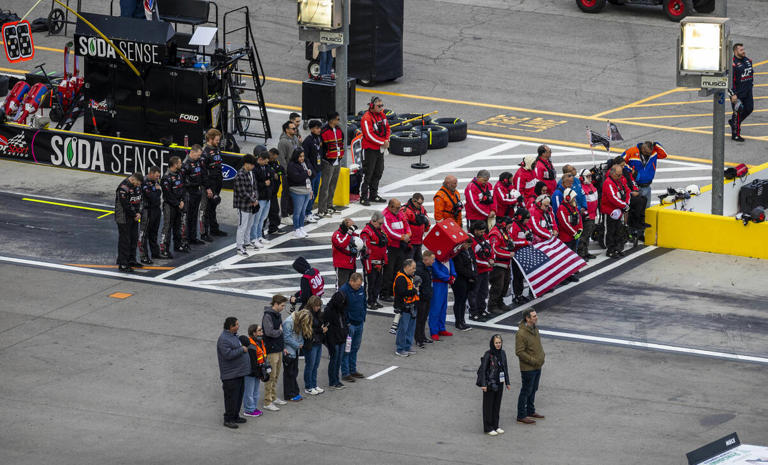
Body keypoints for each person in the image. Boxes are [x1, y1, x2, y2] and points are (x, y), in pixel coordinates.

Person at [216, 317, 250, 429]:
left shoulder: (233, 336)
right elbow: (228, 355)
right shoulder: (224, 339)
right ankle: (228, 419)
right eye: (236, 324)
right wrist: (242, 349)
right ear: (231, 327)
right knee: (231, 398)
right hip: (230, 376)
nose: (238, 326)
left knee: (238, 397)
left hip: (238, 373)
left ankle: (235, 416)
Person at [515, 309, 545, 425]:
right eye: (533, 316)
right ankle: (521, 415)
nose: (536, 317)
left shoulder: (534, 328)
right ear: (527, 318)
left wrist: (542, 356)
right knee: (526, 391)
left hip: (537, 365)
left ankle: (530, 411)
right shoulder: (521, 334)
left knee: (533, 389)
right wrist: (533, 361)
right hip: (528, 368)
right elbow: (519, 352)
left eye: (535, 315)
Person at [359, 96, 391, 205]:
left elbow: (387, 128)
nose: (381, 108)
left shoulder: (382, 115)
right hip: (369, 150)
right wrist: (383, 142)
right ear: (372, 106)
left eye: (382, 105)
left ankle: (373, 194)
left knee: (378, 171)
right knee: (368, 173)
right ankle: (363, 197)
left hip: (379, 149)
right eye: (379, 106)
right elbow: (369, 135)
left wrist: (386, 140)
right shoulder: (366, 118)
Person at [479, 334, 511, 436]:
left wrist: (507, 382)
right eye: (496, 343)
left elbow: (505, 368)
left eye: (499, 343)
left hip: (499, 382)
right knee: (488, 406)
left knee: (497, 405)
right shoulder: (488, 354)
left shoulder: (502, 353)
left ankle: (495, 425)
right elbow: (483, 370)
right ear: (492, 343)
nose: (498, 345)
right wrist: (483, 384)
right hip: (489, 383)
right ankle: (488, 427)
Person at [381, 198, 412, 304]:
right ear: (390, 207)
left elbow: (406, 224)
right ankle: (385, 293)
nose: (399, 210)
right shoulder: (385, 215)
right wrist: (403, 237)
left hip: (400, 246)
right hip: (391, 247)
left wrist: (408, 234)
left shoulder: (399, 213)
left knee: (398, 270)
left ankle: (393, 291)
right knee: (389, 271)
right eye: (397, 208)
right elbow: (389, 231)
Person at [261, 295, 288, 411]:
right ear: (275, 304)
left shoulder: (277, 315)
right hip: (271, 350)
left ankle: (273, 396)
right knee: (271, 376)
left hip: (278, 348)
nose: (283, 307)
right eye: (282, 305)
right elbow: (269, 332)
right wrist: (280, 331)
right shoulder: (268, 315)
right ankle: (267, 402)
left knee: (276, 375)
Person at [623, 141, 668, 208]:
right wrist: (631, 170)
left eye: (650, 153)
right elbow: (620, 161)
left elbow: (664, 154)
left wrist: (656, 144)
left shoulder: (653, 152)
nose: (649, 155)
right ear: (643, 149)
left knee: (647, 209)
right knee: (636, 210)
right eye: (647, 153)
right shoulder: (631, 152)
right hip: (635, 188)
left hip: (647, 187)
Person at [200, 129, 226, 241]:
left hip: (217, 182)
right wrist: (208, 188)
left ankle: (214, 229)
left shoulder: (217, 149)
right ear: (210, 139)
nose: (218, 142)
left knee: (213, 206)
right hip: (209, 184)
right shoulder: (204, 153)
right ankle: (204, 233)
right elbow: (203, 173)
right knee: (206, 209)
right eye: (216, 140)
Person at [340, 273, 366, 382]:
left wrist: (363, 316)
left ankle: (353, 369)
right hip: (350, 325)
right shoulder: (343, 291)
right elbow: (341, 309)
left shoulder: (361, 289)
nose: (359, 287)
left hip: (359, 323)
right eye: (357, 285)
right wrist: (347, 323)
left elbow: (364, 303)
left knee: (355, 348)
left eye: (360, 284)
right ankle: (345, 373)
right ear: (351, 281)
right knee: (347, 349)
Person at [115, 172, 143, 272]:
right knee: (125, 240)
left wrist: (139, 212)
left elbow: (140, 200)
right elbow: (125, 205)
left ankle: (131, 260)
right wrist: (135, 214)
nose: (138, 186)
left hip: (133, 216)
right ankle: (123, 263)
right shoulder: (123, 187)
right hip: (123, 217)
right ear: (133, 179)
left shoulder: (137, 187)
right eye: (138, 183)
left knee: (134, 238)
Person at [159, 157, 186, 258]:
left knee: (178, 226)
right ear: (174, 164)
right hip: (169, 206)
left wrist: (182, 200)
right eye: (179, 163)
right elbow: (168, 194)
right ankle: (164, 249)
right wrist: (177, 203)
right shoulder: (166, 178)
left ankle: (177, 245)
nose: (181, 164)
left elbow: (183, 188)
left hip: (179, 204)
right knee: (167, 227)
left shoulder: (179, 173)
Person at [601, 165, 630, 258]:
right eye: (618, 175)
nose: (620, 177)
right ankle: (610, 250)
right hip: (610, 211)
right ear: (612, 173)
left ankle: (618, 248)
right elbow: (612, 197)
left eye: (621, 175)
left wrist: (626, 204)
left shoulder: (620, 180)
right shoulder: (608, 183)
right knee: (610, 231)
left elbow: (627, 191)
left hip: (619, 210)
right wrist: (624, 205)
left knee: (618, 230)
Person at [233, 154, 259, 257]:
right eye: (252, 165)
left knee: (249, 225)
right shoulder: (240, 175)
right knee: (242, 226)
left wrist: (255, 198)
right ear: (246, 164)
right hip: (243, 205)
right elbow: (242, 192)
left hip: (251, 205)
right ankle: (239, 246)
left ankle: (247, 242)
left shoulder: (250, 173)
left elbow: (254, 187)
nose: (253, 167)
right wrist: (253, 200)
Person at [318, 112, 344, 217]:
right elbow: (321, 147)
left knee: (333, 185)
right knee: (325, 186)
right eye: (337, 119)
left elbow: (342, 141)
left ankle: (329, 205)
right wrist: (326, 158)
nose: (339, 121)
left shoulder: (339, 129)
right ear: (332, 120)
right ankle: (322, 209)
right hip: (328, 162)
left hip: (337, 160)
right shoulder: (323, 131)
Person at [360, 211, 387, 309]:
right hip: (370, 263)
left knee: (378, 283)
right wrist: (369, 267)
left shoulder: (380, 230)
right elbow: (366, 251)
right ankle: (368, 301)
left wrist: (384, 260)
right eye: (380, 223)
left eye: (382, 224)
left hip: (380, 262)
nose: (381, 225)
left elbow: (383, 247)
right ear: (374, 221)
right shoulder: (366, 232)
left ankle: (375, 299)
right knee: (370, 283)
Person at [322, 290, 348, 389]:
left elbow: (344, 322)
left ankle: (336, 380)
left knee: (338, 360)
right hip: (333, 339)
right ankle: (333, 381)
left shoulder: (341, 309)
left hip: (341, 337)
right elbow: (327, 328)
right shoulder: (329, 311)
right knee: (334, 360)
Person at [556, 188, 583, 283]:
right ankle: (564, 276)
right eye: (573, 198)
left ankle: (571, 273)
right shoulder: (562, 209)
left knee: (572, 255)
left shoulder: (574, 207)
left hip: (573, 237)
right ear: (568, 198)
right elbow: (564, 223)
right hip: (566, 238)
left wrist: (580, 229)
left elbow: (579, 218)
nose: (574, 200)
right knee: (565, 258)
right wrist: (575, 233)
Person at [239, 324, 266, 418]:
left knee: (255, 392)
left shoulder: (259, 342)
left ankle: (253, 407)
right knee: (249, 392)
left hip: (256, 372)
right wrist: (259, 374)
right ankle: (249, 410)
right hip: (250, 372)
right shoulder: (250, 345)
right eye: (259, 331)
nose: (261, 332)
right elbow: (252, 363)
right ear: (254, 333)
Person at [394, 259, 420, 357]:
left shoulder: (409, 276)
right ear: (407, 267)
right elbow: (401, 292)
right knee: (403, 329)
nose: (414, 270)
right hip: (404, 307)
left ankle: (407, 346)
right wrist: (414, 291)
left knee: (410, 328)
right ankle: (400, 348)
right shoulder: (401, 278)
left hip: (411, 306)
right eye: (413, 268)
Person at [283, 309, 309, 402]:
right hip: (289, 352)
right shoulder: (289, 322)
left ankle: (294, 392)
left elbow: (300, 334)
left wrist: (300, 343)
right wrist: (298, 345)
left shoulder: (297, 321)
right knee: (289, 373)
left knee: (294, 372)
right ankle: (289, 394)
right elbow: (286, 338)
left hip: (295, 350)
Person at [487, 216, 513, 313]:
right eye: (509, 227)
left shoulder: (504, 231)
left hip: (506, 264)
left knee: (505, 285)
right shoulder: (495, 234)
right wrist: (508, 254)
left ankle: (500, 302)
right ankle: (492, 305)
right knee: (497, 286)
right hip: (498, 265)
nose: (509, 229)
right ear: (503, 224)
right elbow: (495, 250)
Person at [181, 145, 205, 245]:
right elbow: (184, 182)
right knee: (187, 216)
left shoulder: (198, 162)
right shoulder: (185, 164)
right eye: (198, 155)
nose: (199, 157)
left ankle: (193, 237)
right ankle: (185, 238)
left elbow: (201, 175)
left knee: (194, 215)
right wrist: (195, 184)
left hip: (197, 192)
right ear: (192, 152)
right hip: (189, 193)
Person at [469, 221, 493, 321]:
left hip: (485, 270)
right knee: (474, 292)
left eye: (483, 232)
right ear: (475, 230)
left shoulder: (484, 237)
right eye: (481, 232)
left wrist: (492, 259)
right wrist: (486, 263)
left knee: (484, 291)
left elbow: (490, 249)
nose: (482, 234)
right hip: (476, 271)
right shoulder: (470, 240)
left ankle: (482, 309)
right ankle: (473, 312)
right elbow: (473, 258)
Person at [729, 43, 754, 142]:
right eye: (741, 50)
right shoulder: (733, 64)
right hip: (737, 94)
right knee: (738, 112)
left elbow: (751, 73)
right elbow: (729, 80)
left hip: (748, 91)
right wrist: (732, 94)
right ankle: (735, 134)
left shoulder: (748, 60)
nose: (743, 51)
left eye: (743, 49)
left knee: (749, 108)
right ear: (735, 51)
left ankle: (734, 122)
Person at [286, 147, 313, 238]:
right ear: (296, 156)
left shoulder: (303, 164)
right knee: (297, 211)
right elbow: (297, 178)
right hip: (297, 191)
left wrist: (310, 190)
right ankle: (296, 229)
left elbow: (308, 179)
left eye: (303, 156)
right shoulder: (291, 165)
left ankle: (301, 227)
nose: (302, 158)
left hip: (306, 190)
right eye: (300, 156)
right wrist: (306, 173)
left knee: (303, 212)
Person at [509, 207, 534, 304]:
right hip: (516, 255)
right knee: (516, 276)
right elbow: (512, 242)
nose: (527, 221)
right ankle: (515, 295)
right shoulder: (513, 226)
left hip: (524, 253)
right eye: (526, 219)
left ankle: (520, 294)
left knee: (521, 275)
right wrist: (525, 242)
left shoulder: (526, 225)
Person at [249, 150, 274, 247]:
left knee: (262, 219)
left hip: (267, 197)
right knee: (256, 220)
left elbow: (271, 177)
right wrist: (264, 183)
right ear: (260, 159)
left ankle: (259, 236)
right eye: (265, 161)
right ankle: (253, 238)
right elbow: (254, 184)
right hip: (259, 198)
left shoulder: (267, 167)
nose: (267, 163)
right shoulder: (254, 169)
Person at [452, 239, 477, 331]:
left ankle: (462, 320)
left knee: (463, 301)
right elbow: (459, 268)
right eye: (467, 244)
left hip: (468, 279)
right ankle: (458, 322)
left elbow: (473, 262)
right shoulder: (457, 253)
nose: (468, 247)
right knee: (459, 300)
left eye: (470, 245)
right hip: (459, 280)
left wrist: (474, 275)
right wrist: (471, 275)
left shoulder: (469, 251)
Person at [303, 296, 326, 396]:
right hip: (310, 343)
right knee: (310, 365)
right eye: (316, 306)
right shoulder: (307, 314)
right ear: (312, 305)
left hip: (318, 342)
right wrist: (321, 330)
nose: (318, 308)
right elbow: (308, 330)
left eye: (319, 306)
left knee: (315, 365)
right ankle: (308, 386)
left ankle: (314, 384)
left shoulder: (318, 314)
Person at [138, 166, 161, 264]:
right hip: (147, 211)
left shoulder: (156, 182)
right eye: (156, 176)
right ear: (151, 173)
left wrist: (156, 191)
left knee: (154, 233)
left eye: (158, 176)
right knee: (144, 234)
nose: (157, 178)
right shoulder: (144, 182)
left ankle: (155, 253)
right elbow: (151, 197)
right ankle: (143, 256)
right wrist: (158, 191)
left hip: (156, 209)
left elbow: (155, 196)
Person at [428, 256, 455, 341]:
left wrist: (453, 276)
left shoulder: (449, 258)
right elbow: (437, 272)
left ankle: (441, 328)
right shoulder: (435, 258)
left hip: (445, 284)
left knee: (443, 307)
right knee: (435, 308)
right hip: (437, 284)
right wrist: (449, 278)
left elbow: (453, 269)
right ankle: (434, 331)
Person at [302, 120, 324, 223]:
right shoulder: (308, 141)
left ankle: (309, 212)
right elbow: (305, 158)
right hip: (312, 171)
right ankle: (306, 213)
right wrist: (311, 169)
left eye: (319, 128)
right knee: (310, 193)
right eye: (316, 128)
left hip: (318, 170)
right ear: (311, 129)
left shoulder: (318, 138)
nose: (319, 130)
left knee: (315, 192)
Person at [278, 122, 300, 222]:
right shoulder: (283, 142)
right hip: (287, 172)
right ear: (287, 130)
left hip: (295, 170)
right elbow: (281, 159)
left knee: (292, 193)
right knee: (285, 193)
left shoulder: (295, 138)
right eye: (293, 129)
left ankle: (291, 212)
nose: (295, 130)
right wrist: (286, 172)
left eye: (295, 128)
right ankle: (284, 214)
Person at [414, 250, 435, 348]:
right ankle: (418, 339)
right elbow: (418, 285)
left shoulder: (426, 268)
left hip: (426, 297)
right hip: (421, 298)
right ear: (426, 259)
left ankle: (422, 336)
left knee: (423, 319)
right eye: (432, 259)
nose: (433, 261)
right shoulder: (419, 269)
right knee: (419, 319)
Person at [402, 193, 431, 262]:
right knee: (409, 263)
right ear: (413, 201)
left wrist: (426, 224)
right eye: (419, 203)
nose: (420, 205)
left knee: (419, 263)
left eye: (421, 203)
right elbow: (404, 227)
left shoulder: (421, 208)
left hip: (419, 241)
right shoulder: (405, 210)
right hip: (410, 243)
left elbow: (427, 220)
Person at [577, 169, 598, 260]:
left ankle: (585, 252)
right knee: (584, 236)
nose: (590, 178)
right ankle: (581, 253)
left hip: (592, 215)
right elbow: (580, 203)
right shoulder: (580, 189)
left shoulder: (591, 186)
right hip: (586, 216)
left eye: (590, 176)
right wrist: (585, 214)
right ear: (582, 178)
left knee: (588, 235)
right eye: (588, 176)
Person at [332, 218, 359, 287]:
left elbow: (359, 242)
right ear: (346, 225)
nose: (353, 230)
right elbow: (342, 244)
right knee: (342, 287)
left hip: (351, 265)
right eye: (351, 227)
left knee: (352, 287)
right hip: (342, 266)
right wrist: (349, 232)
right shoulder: (336, 235)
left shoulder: (352, 234)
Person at [266, 148, 285, 235]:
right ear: (270, 154)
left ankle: (273, 228)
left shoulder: (275, 163)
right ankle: (270, 228)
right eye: (273, 158)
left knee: (275, 210)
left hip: (274, 192)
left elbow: (282, 171)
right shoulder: (266, 164)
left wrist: (278, 173)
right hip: (267, 192)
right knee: (269, 211)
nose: (274, 160)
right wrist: (274, 174)